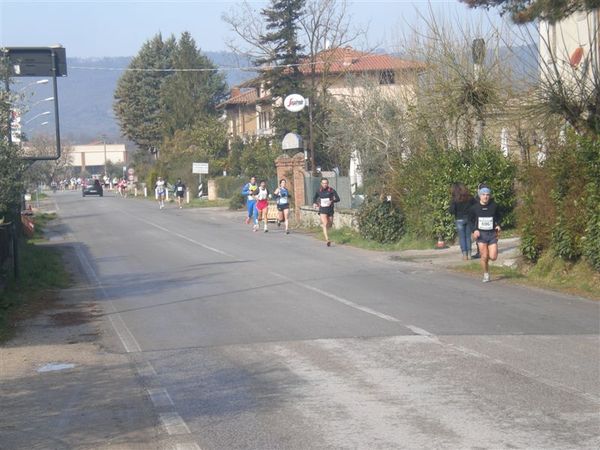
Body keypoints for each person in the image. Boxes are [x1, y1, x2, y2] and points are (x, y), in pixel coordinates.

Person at [469, 185, 501, 283]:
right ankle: (486, 274)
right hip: (481, 235)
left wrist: (498, 225)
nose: (485, 197)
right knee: (484, 256)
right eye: (483, 194)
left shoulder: (494, 206)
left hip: (491, 234)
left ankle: (487, 260)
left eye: (487, 195)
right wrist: (474, 230)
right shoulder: (474, 208)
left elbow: (499, 216)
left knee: (493, 257)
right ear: (480, 196)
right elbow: (470, 221)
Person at [449, 183, 476, 260]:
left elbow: (451, 211)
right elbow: (476, 206)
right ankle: (470, 254)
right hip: (469, 219)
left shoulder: (454, 199)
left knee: (462, 237)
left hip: (459, 219)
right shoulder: (469, 197)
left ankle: (464, 255)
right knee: (468, 237)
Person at [312, 178, 340, 246]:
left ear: (328, 183)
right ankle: (327, 239)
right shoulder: (319, 190)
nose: (325, 184)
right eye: (323, 183)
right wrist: (314, 203)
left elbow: (338, 199)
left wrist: (332, 201)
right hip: (322, 209)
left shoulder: (331, 190)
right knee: (325, 223)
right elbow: (314, 198)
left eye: (326, 183)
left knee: (329, 224)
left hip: (330, 209)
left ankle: (326, 230)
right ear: (321, 184)